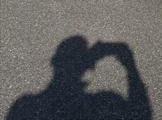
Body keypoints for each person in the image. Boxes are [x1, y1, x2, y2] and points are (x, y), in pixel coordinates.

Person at [7, 36, 152, 120]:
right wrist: (131, 67)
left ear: (54, 61)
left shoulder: (25, 104)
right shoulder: (107, 100)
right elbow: (143, 113)